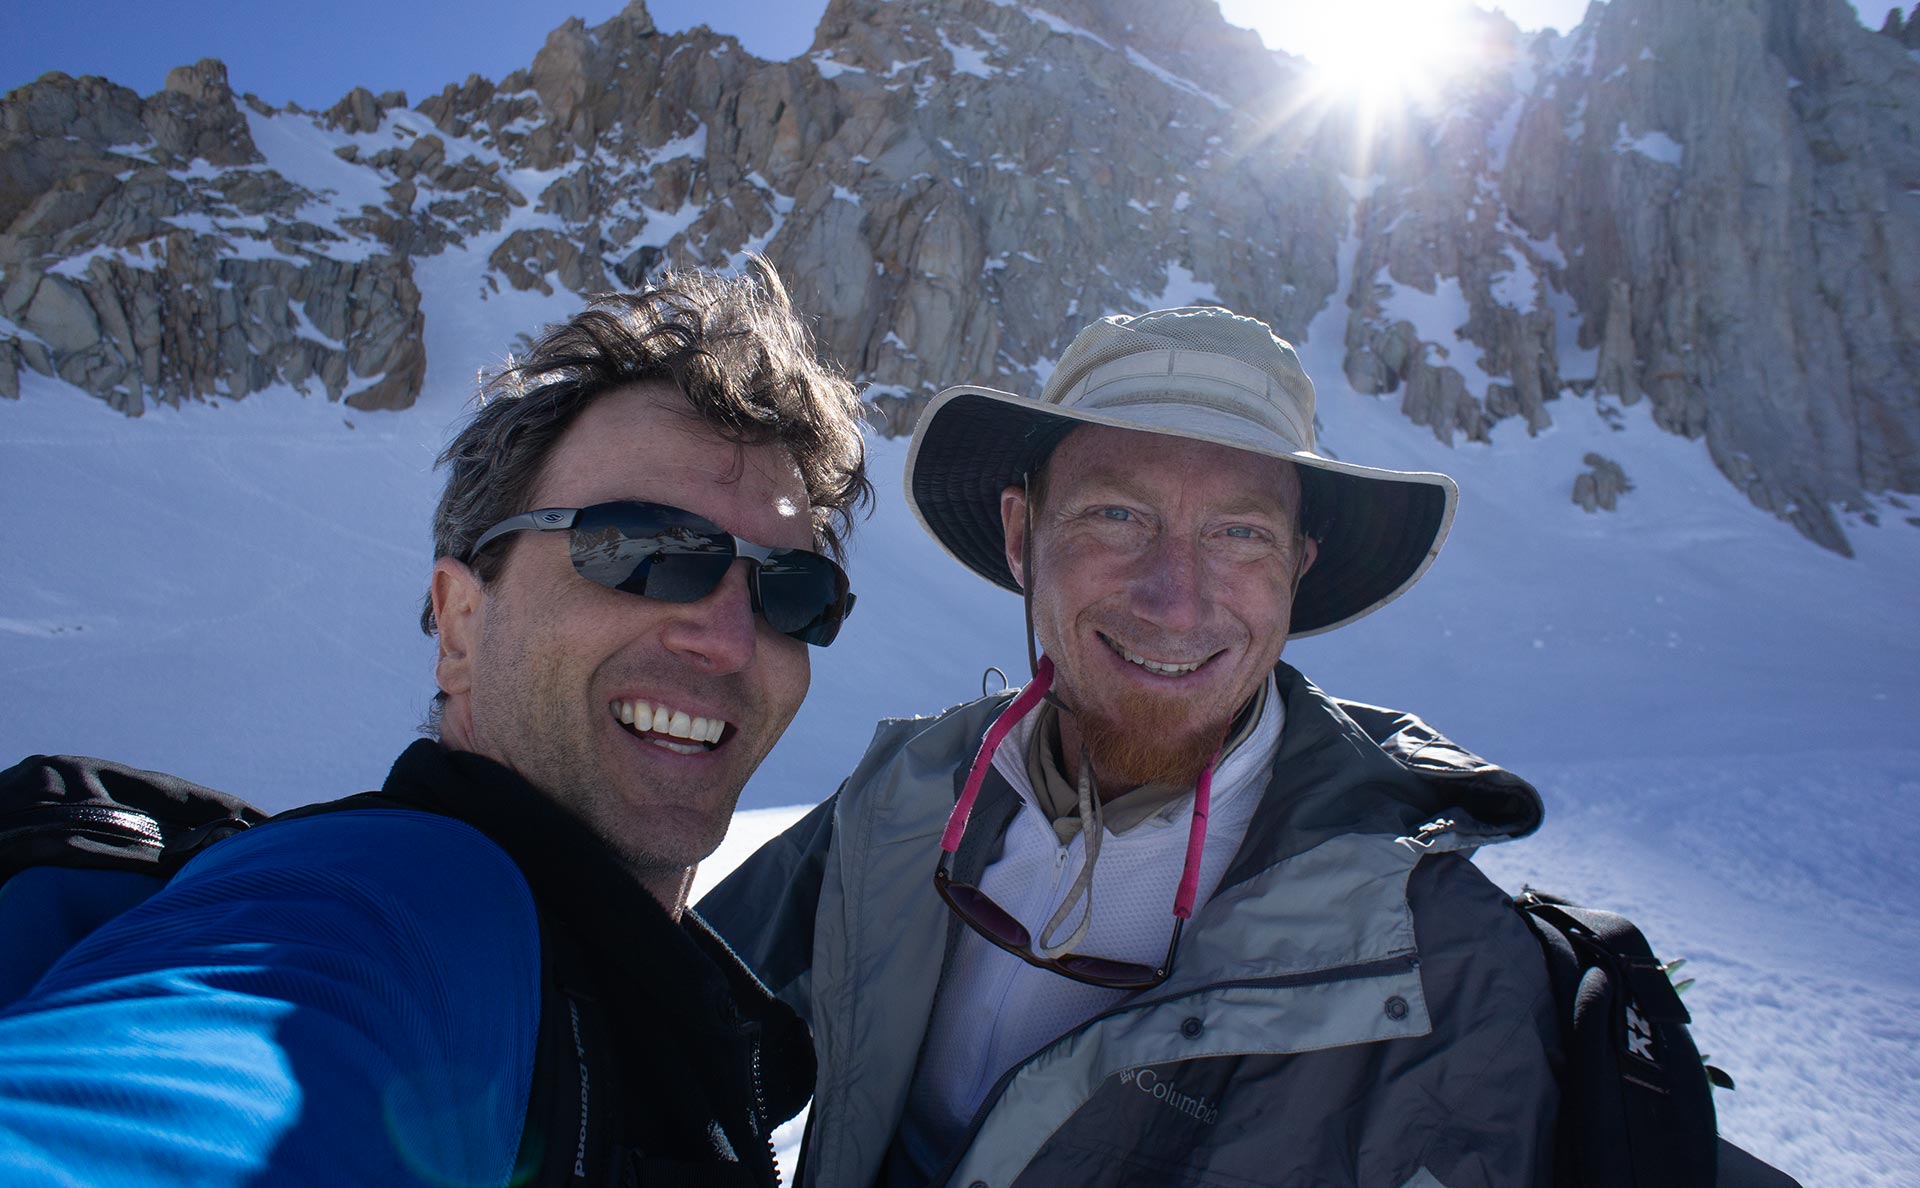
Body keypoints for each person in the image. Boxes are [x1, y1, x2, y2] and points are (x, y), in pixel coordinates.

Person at [0, 261, 871, 1187]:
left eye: (790, 591)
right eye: (643, 551)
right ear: (459, 622)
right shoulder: (395, 906)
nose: (730, 639)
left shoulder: (660, 1002)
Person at [701, 304, 1559, 1187]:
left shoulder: (1431, 951)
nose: (1175, 602)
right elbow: (657, 1024)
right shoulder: (904, 797)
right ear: (1021, 535)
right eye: (1116, 515)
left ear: (1294, 572)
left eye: (1240, 534)